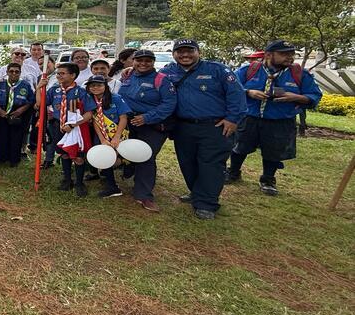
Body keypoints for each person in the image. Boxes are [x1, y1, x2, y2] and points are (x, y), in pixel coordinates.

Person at [161, 38, 246, 220]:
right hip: (183, 127)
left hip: (215, 127)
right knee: (187, 162)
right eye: (180, 51)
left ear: (198, 52)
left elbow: (237, 95)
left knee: (211, 164)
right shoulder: (168, 72)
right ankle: (197, 192)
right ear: (174, 54)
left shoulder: (217, 70)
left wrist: (232, 119)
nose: (185, 54)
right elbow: (153, 82)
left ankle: (207, 203)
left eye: (189, 50)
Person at [229, 40, 322, 196]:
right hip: (250, 117)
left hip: (280, 120)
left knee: (274, 151)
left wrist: (296, 97)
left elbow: (315, 95)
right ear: (268, 55)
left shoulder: (299, 74)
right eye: (284, 54)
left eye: (291, 54)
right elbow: (231, 87)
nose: (289, 57)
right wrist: (248, 92)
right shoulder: (249, 70)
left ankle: (268, 179)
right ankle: (233, 172)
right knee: (240, 146)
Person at [117, 49, 177, 211]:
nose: (143, 64)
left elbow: (169, 104)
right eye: (139, 60)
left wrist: (147, 117)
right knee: (127, 152)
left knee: (146, 156)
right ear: (133, 61)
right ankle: (129, 172)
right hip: (129, 122)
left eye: (148, 61)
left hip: (153, 124)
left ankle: (143, 194)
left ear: (153, 62)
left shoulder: (161, 80)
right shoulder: (128, 76)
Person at [46, 62, 95, 196]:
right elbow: (41, 103)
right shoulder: (54, 90)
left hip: (75, 128)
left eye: (62, 73)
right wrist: (40, 87)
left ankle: (79, 182)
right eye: (58, 73)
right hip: (58, 126)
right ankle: (67, 179)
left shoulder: (81, 92)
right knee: (64, 154)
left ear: (73, 75)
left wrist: (73, 125)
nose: (59, 76)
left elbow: (89, 113)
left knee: (78, 156)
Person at [84, 75, 132, 199]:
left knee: (121, 156)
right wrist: (102, 139)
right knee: (104, 157)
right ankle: (112, 186)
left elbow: (123, 117)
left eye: (99, 85)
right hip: (101, 133)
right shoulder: (90, 100)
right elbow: (95, 121)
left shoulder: (115, 98)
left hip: (116, 132)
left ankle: (127, 172)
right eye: (92, 85)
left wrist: (116, 137)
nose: (95, 88)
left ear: (105, 86)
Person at [0, 63, 35, 167]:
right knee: (2, 137)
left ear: (20, 73)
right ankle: (2, 158)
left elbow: (31, 100)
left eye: (17, 72)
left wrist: (21, 109)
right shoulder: (0, 84)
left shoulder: (25, 85)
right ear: (7, 72)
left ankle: (14, 160)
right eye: (11, 71)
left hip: (18, 114)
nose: (14, 74)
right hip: (2, 113)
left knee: (16, 137)